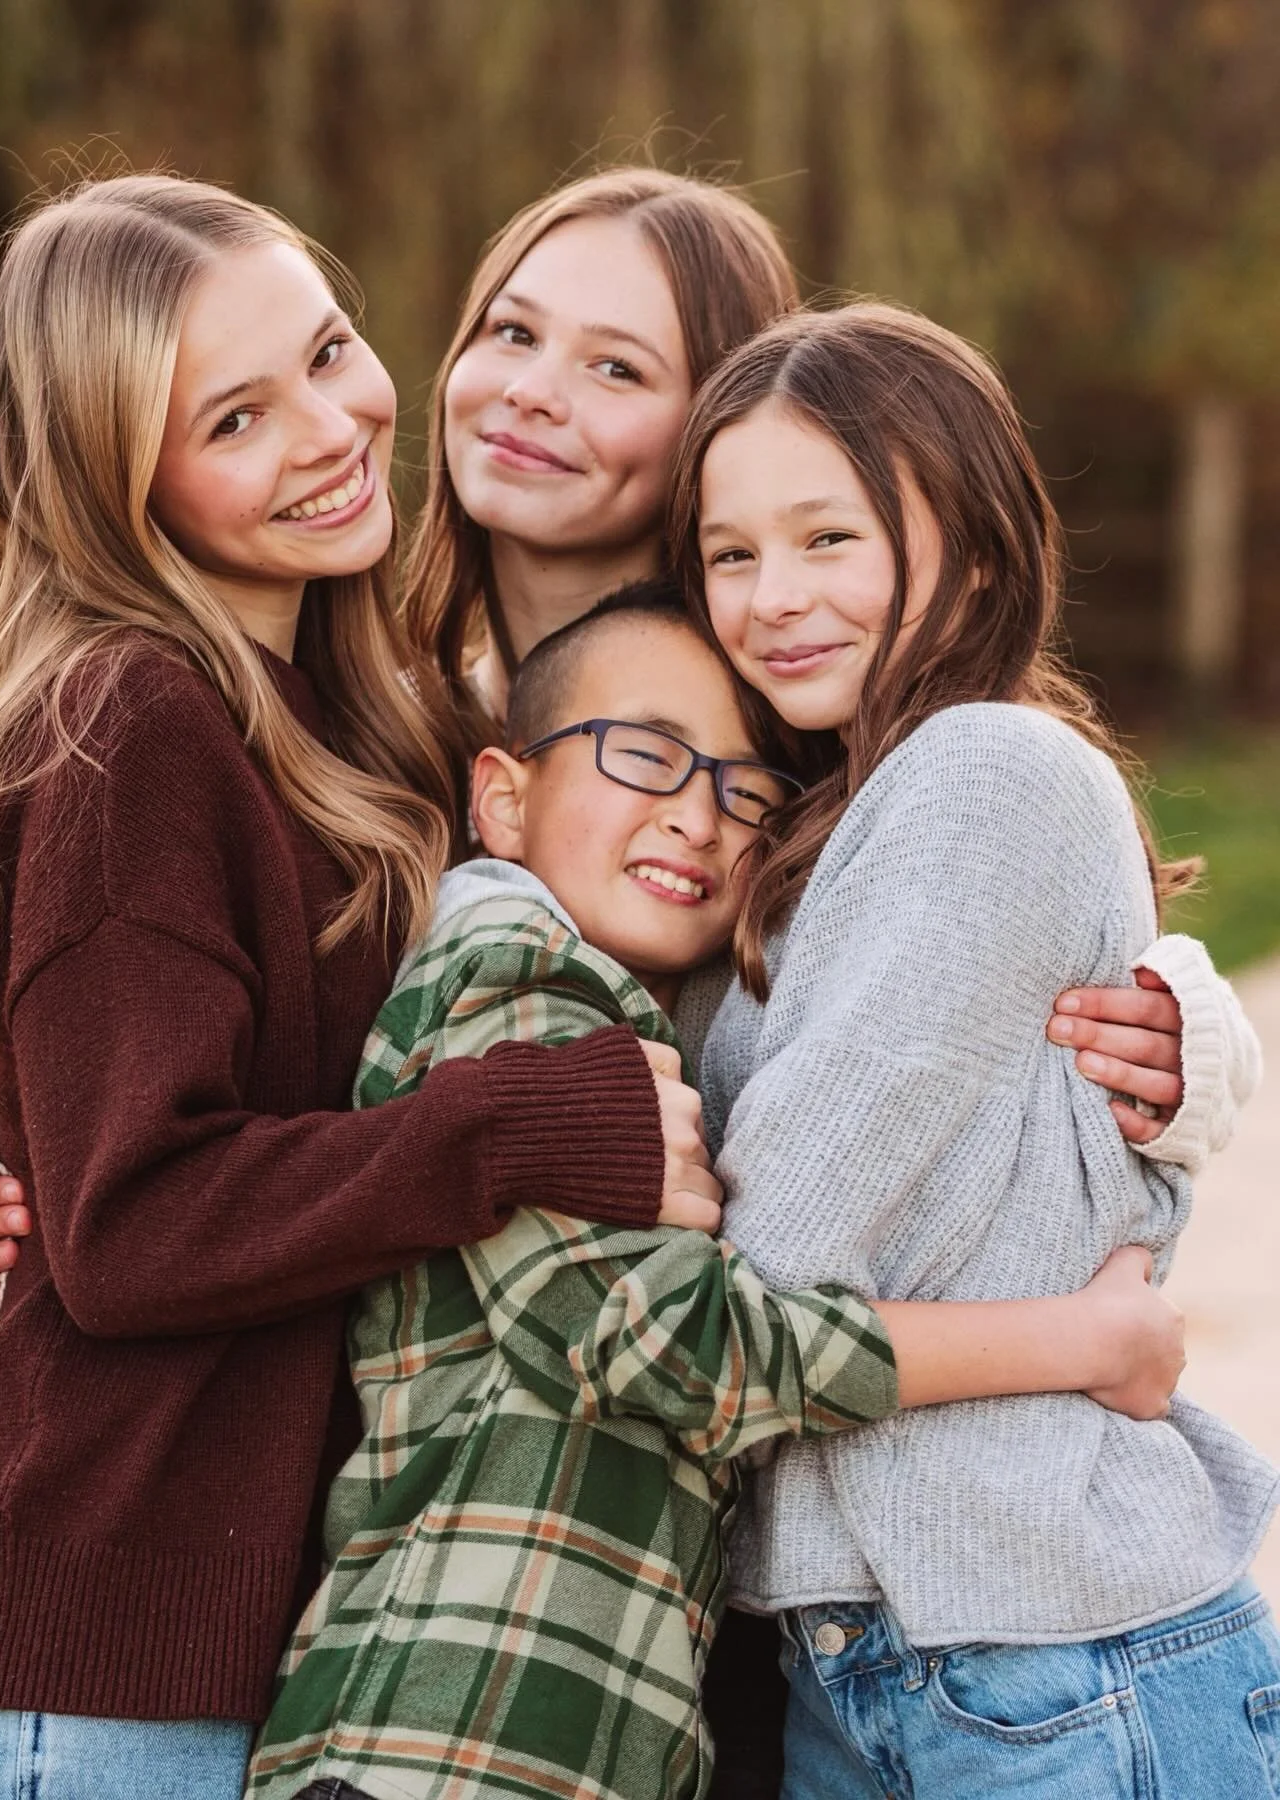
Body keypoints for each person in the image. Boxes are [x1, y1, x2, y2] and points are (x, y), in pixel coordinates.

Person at [0, 166, 1255, 1797]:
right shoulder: (384, 723)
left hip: (716, 1605)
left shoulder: (800, 719)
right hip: (411, 1570)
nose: (533, 393)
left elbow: (1012, 912)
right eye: (510, 330)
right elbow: (170, 1065)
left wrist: (1191, 1032)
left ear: (718, 426)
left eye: (618, 367)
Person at [0, 174, 727, 1800]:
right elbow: (132, 1223)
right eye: (237, 420)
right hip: (102, 1658)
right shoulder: (135, 723)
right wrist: (527, 1130)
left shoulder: (349, 714)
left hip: (267, 1642)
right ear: (123, 487)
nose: (331, 430)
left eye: (329, 354)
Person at [246, 586, 1187, 1800]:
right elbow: (687, 1353)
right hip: (439, 1748)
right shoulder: (509, 991)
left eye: (747, 792)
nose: (696, 816)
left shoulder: (628, 1015)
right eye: (642, 755)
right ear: (503, 798)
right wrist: (1078, 1341)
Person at [670, 302, 1280, 1796]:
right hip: (870, 1664)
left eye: (831, 538)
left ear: (985, 550)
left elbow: (777, 1254)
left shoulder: (987, 773)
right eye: (730, 553)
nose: (771, 597)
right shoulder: (823, 825)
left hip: (1053, 1656)